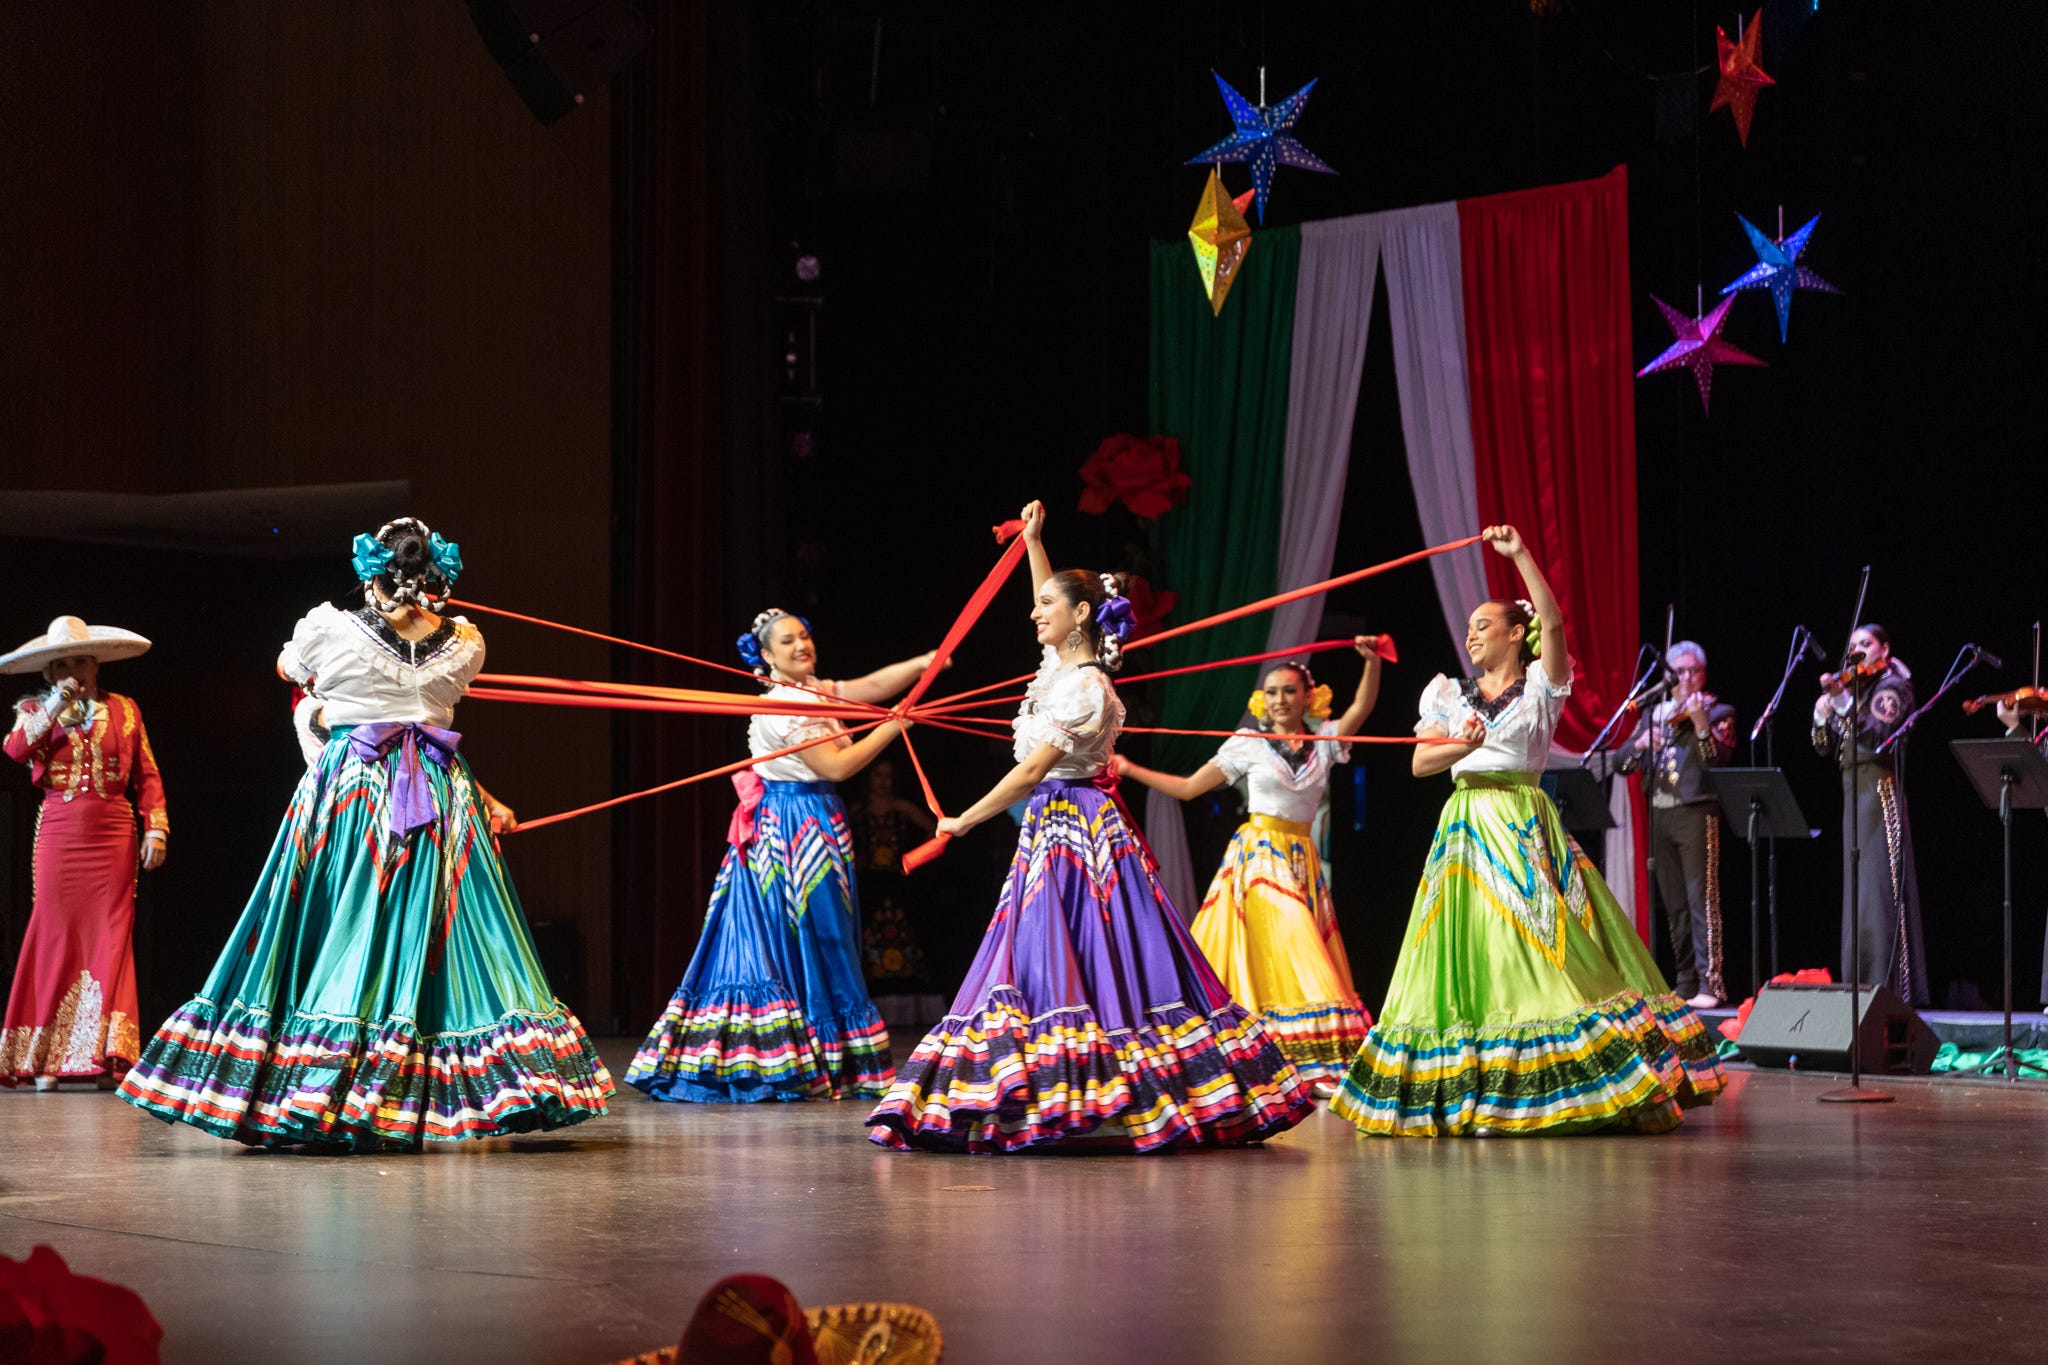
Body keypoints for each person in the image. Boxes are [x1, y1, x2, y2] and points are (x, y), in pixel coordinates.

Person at [118, 519, 612, 1148]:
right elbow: (427, 711)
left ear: (370, 570)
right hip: (439, 790)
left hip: (356, 786)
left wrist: (326, 706)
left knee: (346, 917)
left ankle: (328, 1079)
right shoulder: (464, 642)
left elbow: (287, 669)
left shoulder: (326, 628)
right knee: (440, 929)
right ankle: (451, 1082)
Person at [865, 500, 1314, 1153]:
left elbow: (1029, 772)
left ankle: (1085, 1082)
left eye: (1047, 603)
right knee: (1060, 951)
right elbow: (1058, 609)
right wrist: (1033, 542)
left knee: (1085, 952)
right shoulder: (1064, 670)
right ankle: (1057, 1083)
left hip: (1077, 825)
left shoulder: (1083, 689)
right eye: (1037, 600)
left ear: (1079, 616)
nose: (1033, 611)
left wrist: (963, 819)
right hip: (1059, 824)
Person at [1330, 526, 1726, 1137]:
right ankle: (1480, 1084)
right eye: (1468, 628)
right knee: (1473, 950)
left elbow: (1555, 621)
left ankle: (1564, 1081)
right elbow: (1418, 763)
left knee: (1541, 944)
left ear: (1516, 633)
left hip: (1521, 820)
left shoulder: (1540, 685)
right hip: (1465, 826)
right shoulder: (1448, 695)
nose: (1470, 635)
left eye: (1483, 625)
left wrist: (1519, 557)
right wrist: (1460, 742)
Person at [625, 612, 935, 1102]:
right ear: (766, 656)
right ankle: (811, 1055)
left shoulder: (811, 689)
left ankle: (829, 1056)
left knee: (825, 932)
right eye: (787, 641)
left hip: (818, 816)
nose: (800, 645)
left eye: (805, 636)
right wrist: (896, 724)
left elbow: (868, 685)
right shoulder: (787, 706)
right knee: (817, 933)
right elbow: (839, 763)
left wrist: (923, 663)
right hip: (795, 824)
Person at [1111, 642, 1383, 1089]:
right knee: (1296, 946)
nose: (1279, 700)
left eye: (1289, 692)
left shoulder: (1324, 743)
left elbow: (1361, 708)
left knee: (1281, 957)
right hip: (1259, 858)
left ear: (1308, 697)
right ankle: (1309, 1065)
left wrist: (1371, 662)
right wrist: (1129, 767)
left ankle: (1287, 1061)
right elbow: (1187, 788)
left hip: (1302, 860)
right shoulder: (1249, 744)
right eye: (1272, 692)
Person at [1, 616, 167, 1091]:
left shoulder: (125, 710)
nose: (74, 670)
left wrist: (156, 829)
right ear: (51, 673)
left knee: (110, 938)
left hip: (114, 833)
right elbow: (15, 751)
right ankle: (45, 1058)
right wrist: (56, 705)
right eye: (63, 664)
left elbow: (147, 776)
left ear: (95, 665)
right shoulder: (36, 708)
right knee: (54, 934)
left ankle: (107, 1055)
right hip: (60, 833)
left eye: (81, 660)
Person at [1617, 641, 1738, 1008]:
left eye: (1693, 671)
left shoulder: (1718, 711)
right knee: (1674, 903)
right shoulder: (1653, 715)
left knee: (1701, 898)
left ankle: (1710, 983)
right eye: (1679, 672)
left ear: (1703, 675)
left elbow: (1716, 761)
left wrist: (1701, 723)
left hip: (1696, 812)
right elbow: (1622, 764)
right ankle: (1685, 980)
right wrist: (1640, 744)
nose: (1686, 678)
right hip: (1661, 812)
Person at [1812, 624, 1927, 1006]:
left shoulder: (1891, 687)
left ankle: (1888, 988)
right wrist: (1821, 716)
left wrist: (1843, 705)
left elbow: (1879, 737)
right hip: (1853, 793)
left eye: (1866, 644)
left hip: (1880, 792)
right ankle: (1858, 984)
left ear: (1884, 648)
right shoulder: (1856, 690)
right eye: (1853, 646)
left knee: (1880, 889)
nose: (1858, 651)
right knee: (1857, 893)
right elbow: (1825, 748)